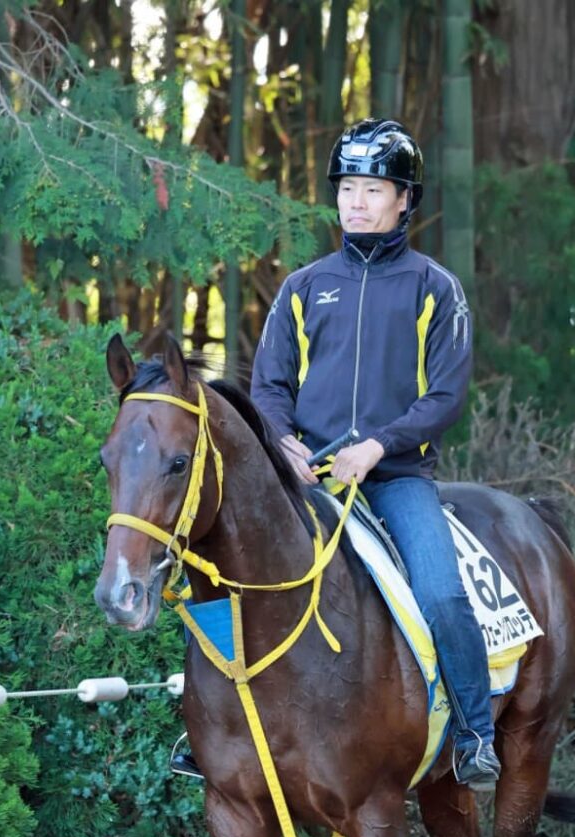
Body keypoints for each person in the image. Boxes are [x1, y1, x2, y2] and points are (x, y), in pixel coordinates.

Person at [172, 118, 499, 790]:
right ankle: (199, 728)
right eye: (348, 187)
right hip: (307, 479)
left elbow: (443, 396)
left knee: (440, 594)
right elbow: (268, 386)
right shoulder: (301, 287)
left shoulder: (436, 289)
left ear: (405, 198)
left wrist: (377, 447)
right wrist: (281, 442)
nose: (356, 201)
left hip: (396, 479)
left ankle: (473, 733)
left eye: (373, 188)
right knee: (226, 577)